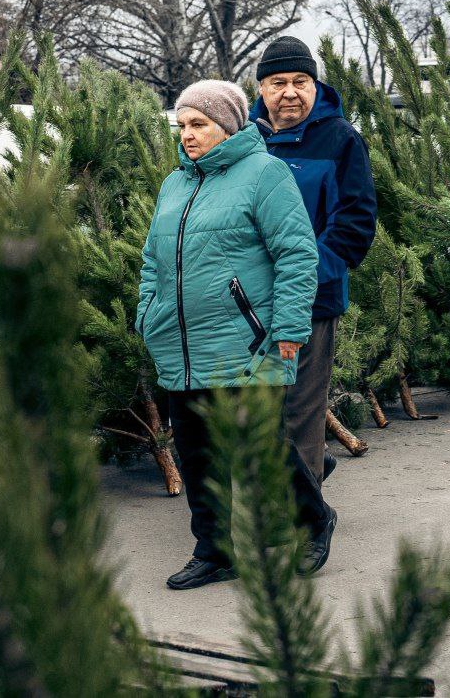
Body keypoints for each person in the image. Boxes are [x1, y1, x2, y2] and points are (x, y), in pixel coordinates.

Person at [137, 79, 319, 590]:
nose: (188, 136)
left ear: (229, 126)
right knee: (196, 453)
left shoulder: (265, 174)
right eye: (182, 126)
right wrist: (147, 312)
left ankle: (314, 522)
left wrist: (287, 326)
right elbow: (153, 261)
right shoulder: (175, 184)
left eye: (199, 125)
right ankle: (214, 550)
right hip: (182, 342)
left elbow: (297, 254)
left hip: (247, 341)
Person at [248, 36, 378, 575]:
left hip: (312, 302)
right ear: (261, 88)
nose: (290, 93)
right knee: (255, 410)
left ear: (315, 84)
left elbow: (354, 227)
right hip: (247, 306)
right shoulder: (245, 140)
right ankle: (301, 479)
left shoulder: (340, 141)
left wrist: (299, 278)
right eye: (278, 83)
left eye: (300, 82)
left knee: (299, 410)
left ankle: (307, 526)